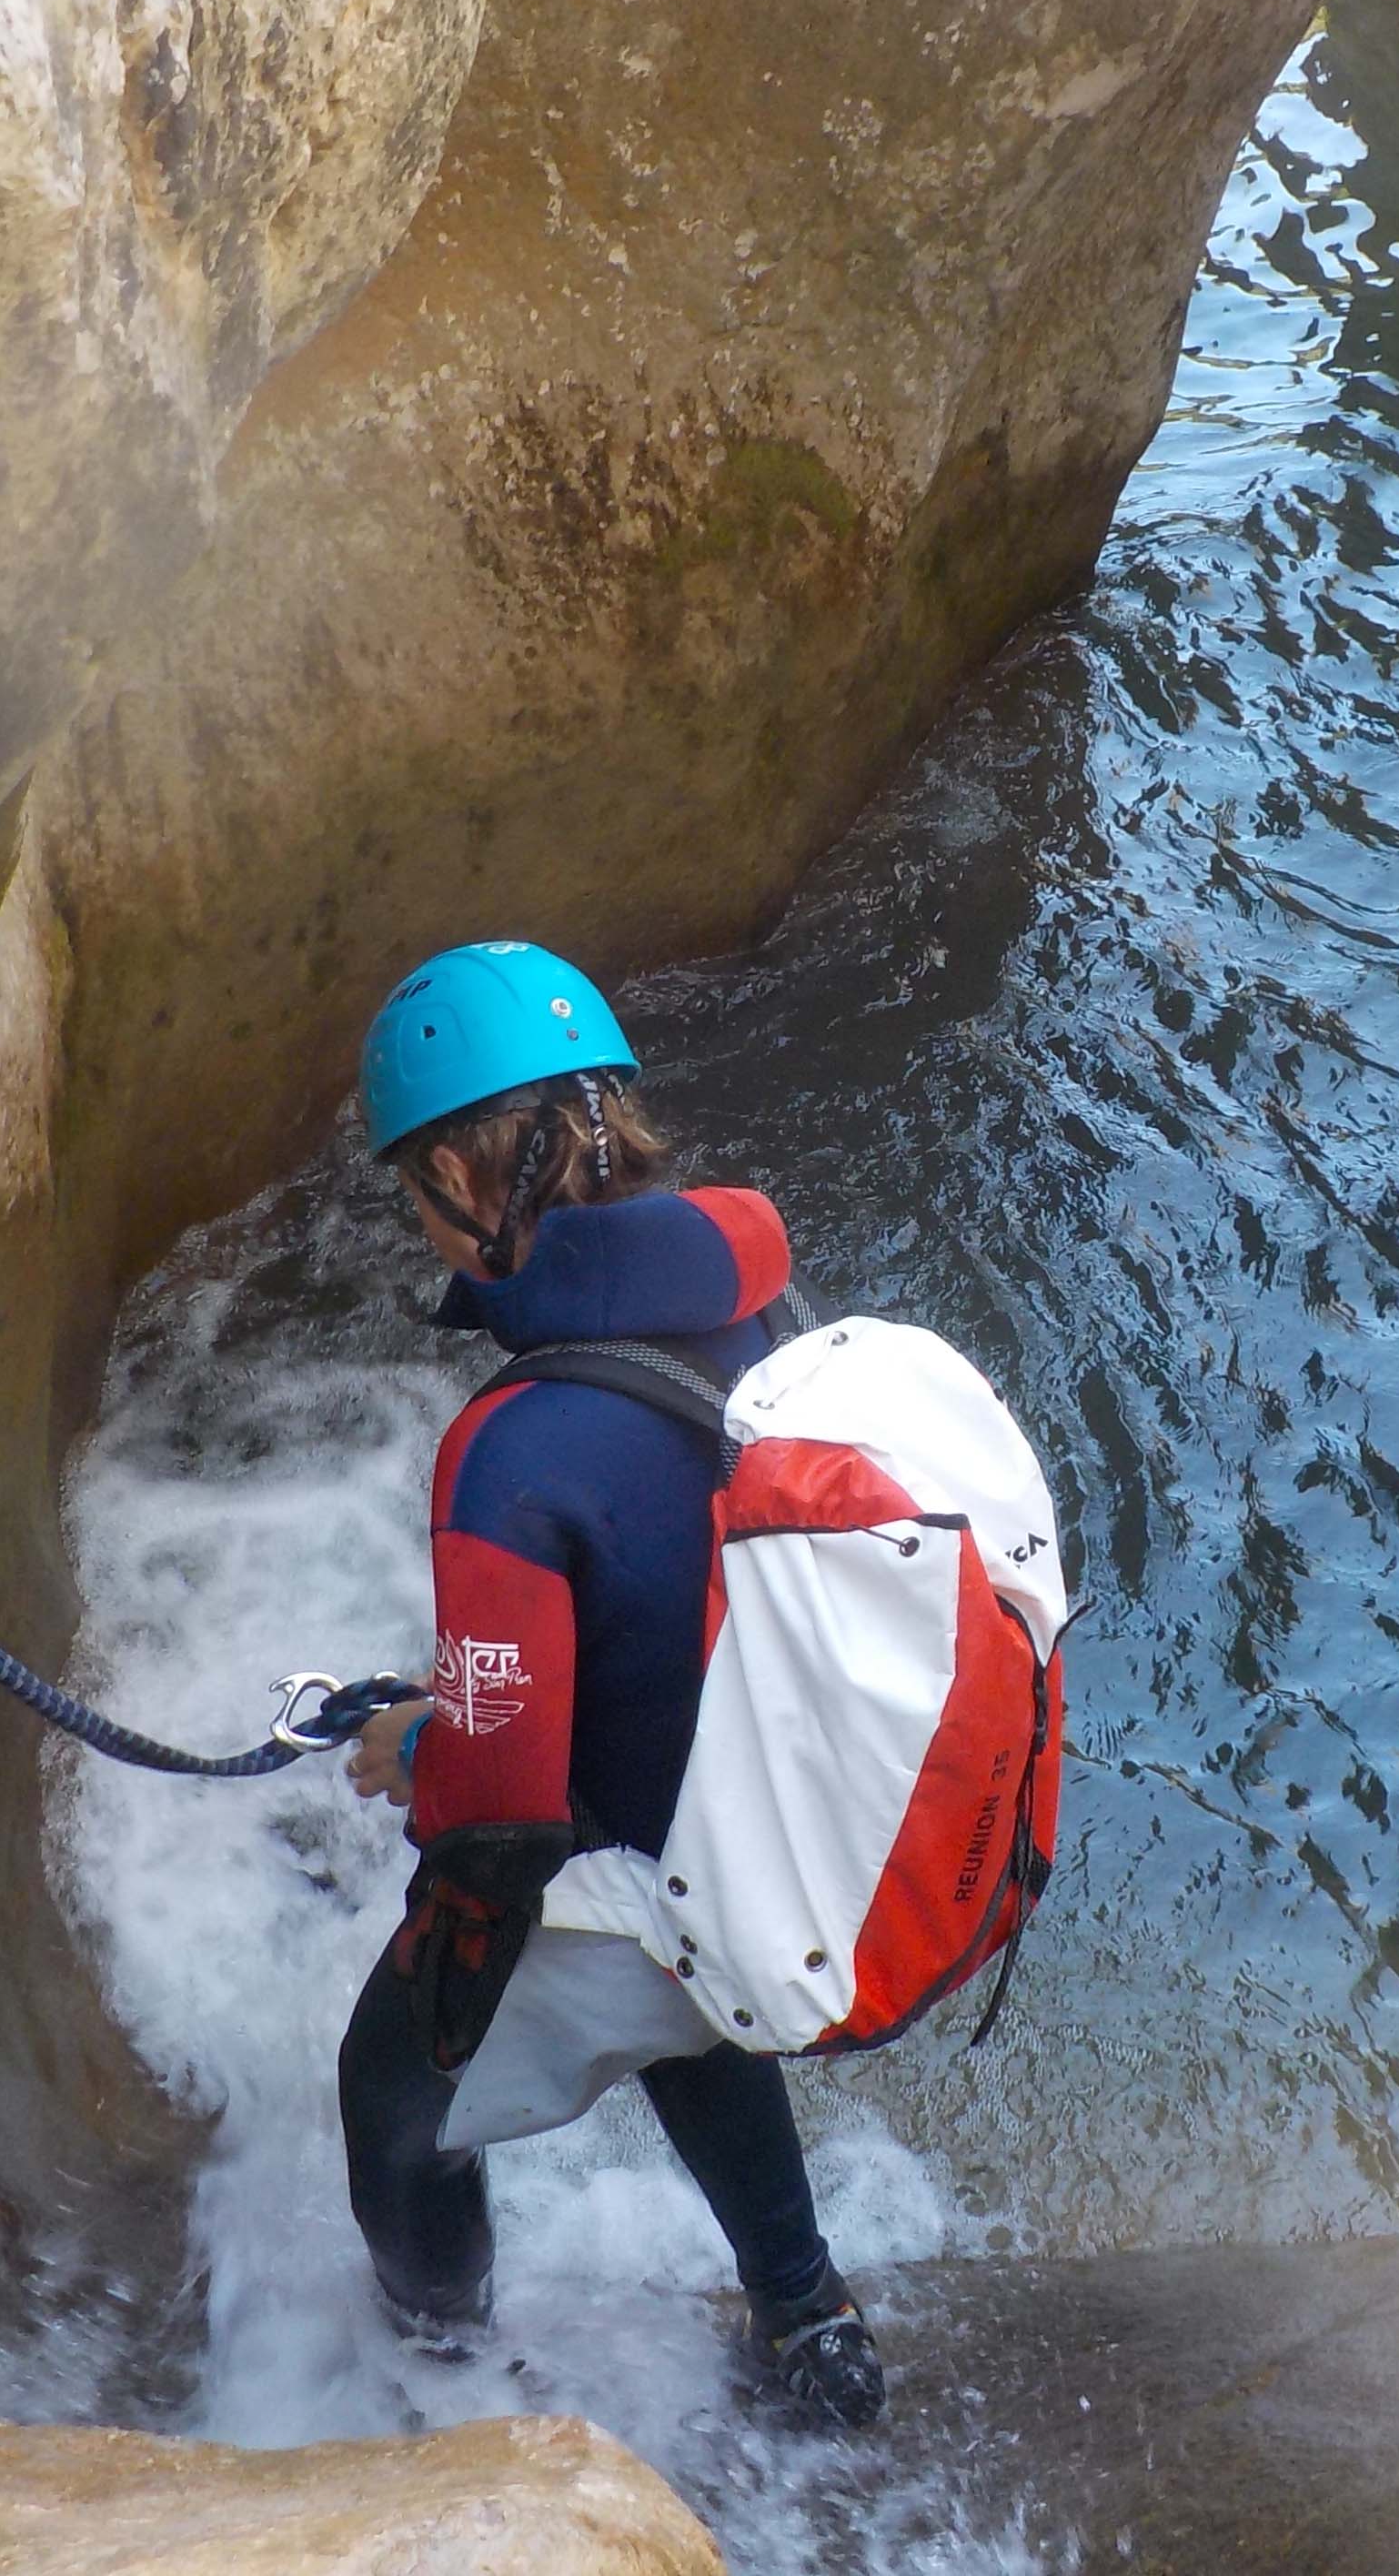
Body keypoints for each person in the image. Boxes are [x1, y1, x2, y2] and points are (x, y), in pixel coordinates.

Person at [334, 938, 888, 2429]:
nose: (420, 1222)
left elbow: (499, 1823)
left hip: (660, 1863)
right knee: (679, 1985)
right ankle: (810, 2316)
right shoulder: (754, 1311)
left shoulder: (506, 1456)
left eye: (413, 1192)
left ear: (460, 1175)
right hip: (775, 1827)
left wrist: (415, 1747)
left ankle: (437, 2380)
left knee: (389, 2099)